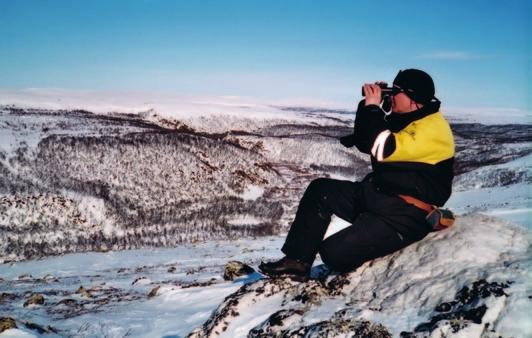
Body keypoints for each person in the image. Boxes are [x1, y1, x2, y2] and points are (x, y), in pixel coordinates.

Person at [258, 69, 455, 281]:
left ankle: (387, 232)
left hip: (405, 215)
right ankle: (296, 262)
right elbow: (365, 142)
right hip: (379, 196)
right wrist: (367, 107)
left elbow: (382, 148)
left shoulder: (432, 130)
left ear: (414, 98)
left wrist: (373, 107)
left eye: (396, 91)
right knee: (321, 189)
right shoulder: (408, 118)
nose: (391, 95)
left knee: (333, 253)